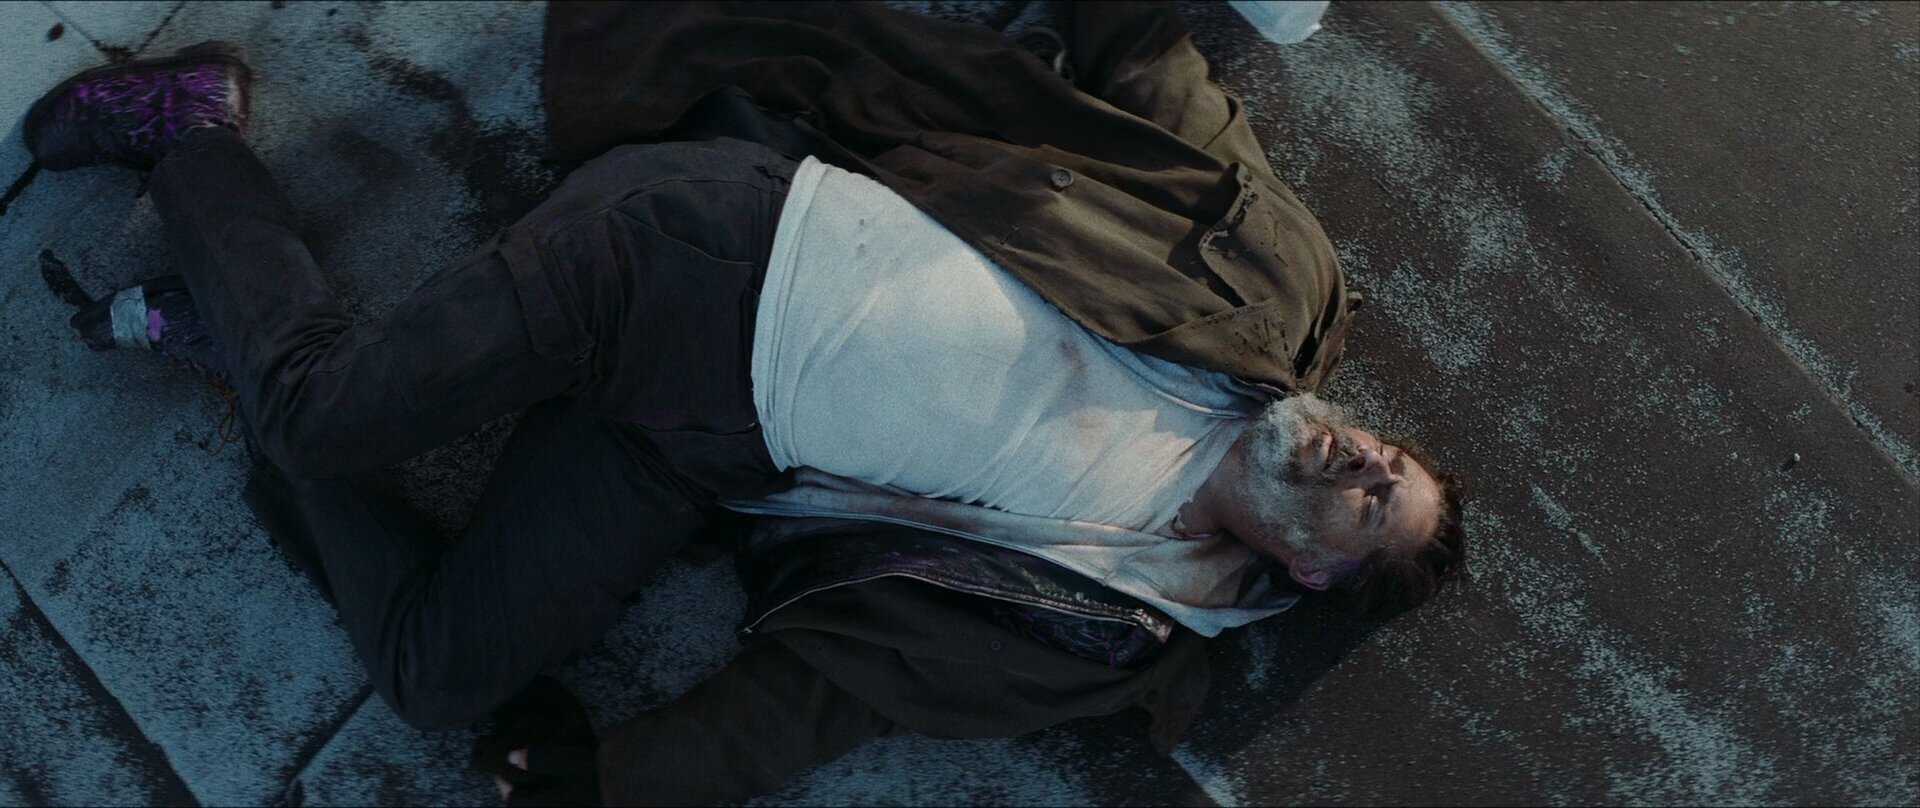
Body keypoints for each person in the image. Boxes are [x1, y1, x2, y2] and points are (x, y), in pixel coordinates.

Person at [26, 3, 1465, 804]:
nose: (1360, 456)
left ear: (1311, 567)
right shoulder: (1268, 294)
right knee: (322, 419)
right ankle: (189, 137)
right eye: (1388, 457)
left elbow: (824, 698)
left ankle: (245, 332)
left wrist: (611, 786)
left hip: (700, 446)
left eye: (1370, 501)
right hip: (707, 250)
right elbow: (1157, 85)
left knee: (442, 674)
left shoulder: (1109, 628)